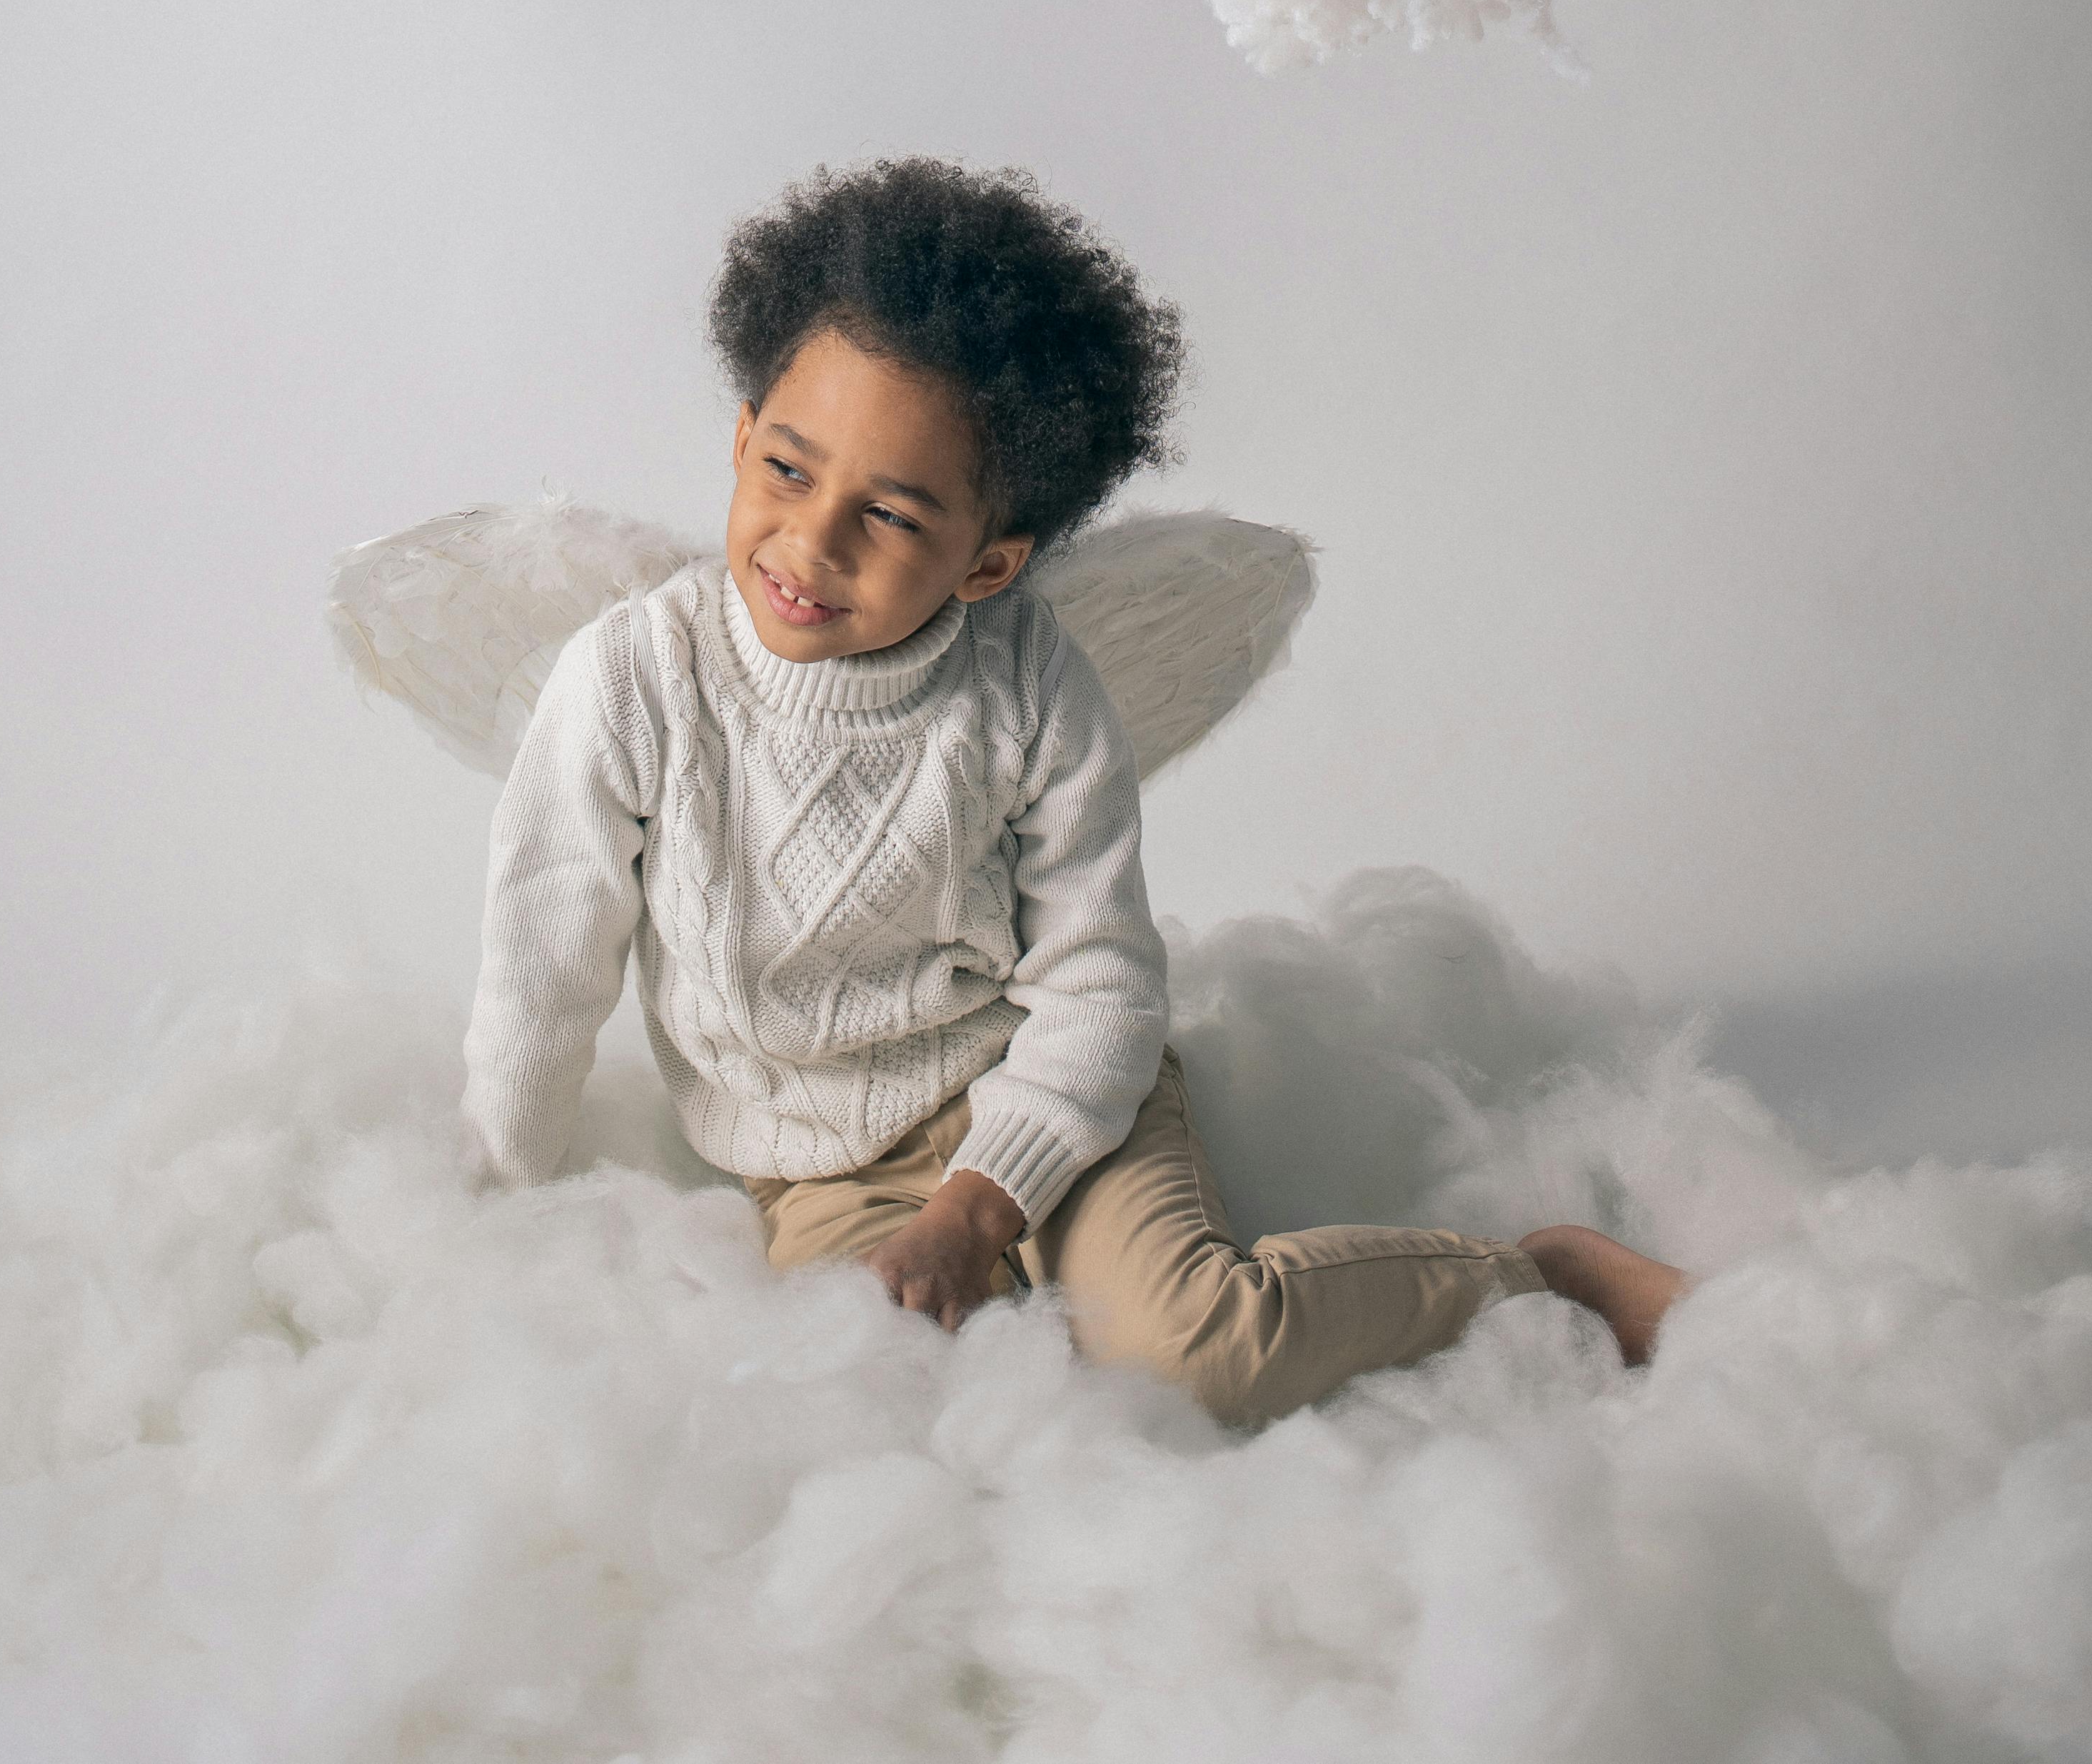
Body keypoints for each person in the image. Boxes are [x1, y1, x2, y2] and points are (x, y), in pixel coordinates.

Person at [461, 158, 1684, 1424]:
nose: (811, 542)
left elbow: (1099, 980)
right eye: (785, 468)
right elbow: (541, 968)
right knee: (897, 1415)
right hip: (822, 1166)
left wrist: (979, 1205)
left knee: (1194, 1359)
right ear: (740, 434)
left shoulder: (1028, 689)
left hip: (1057, 1094)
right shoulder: (632, 679)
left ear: (987, 562)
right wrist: (489, 1217)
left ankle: (1535, 1279)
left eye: (886, 514)